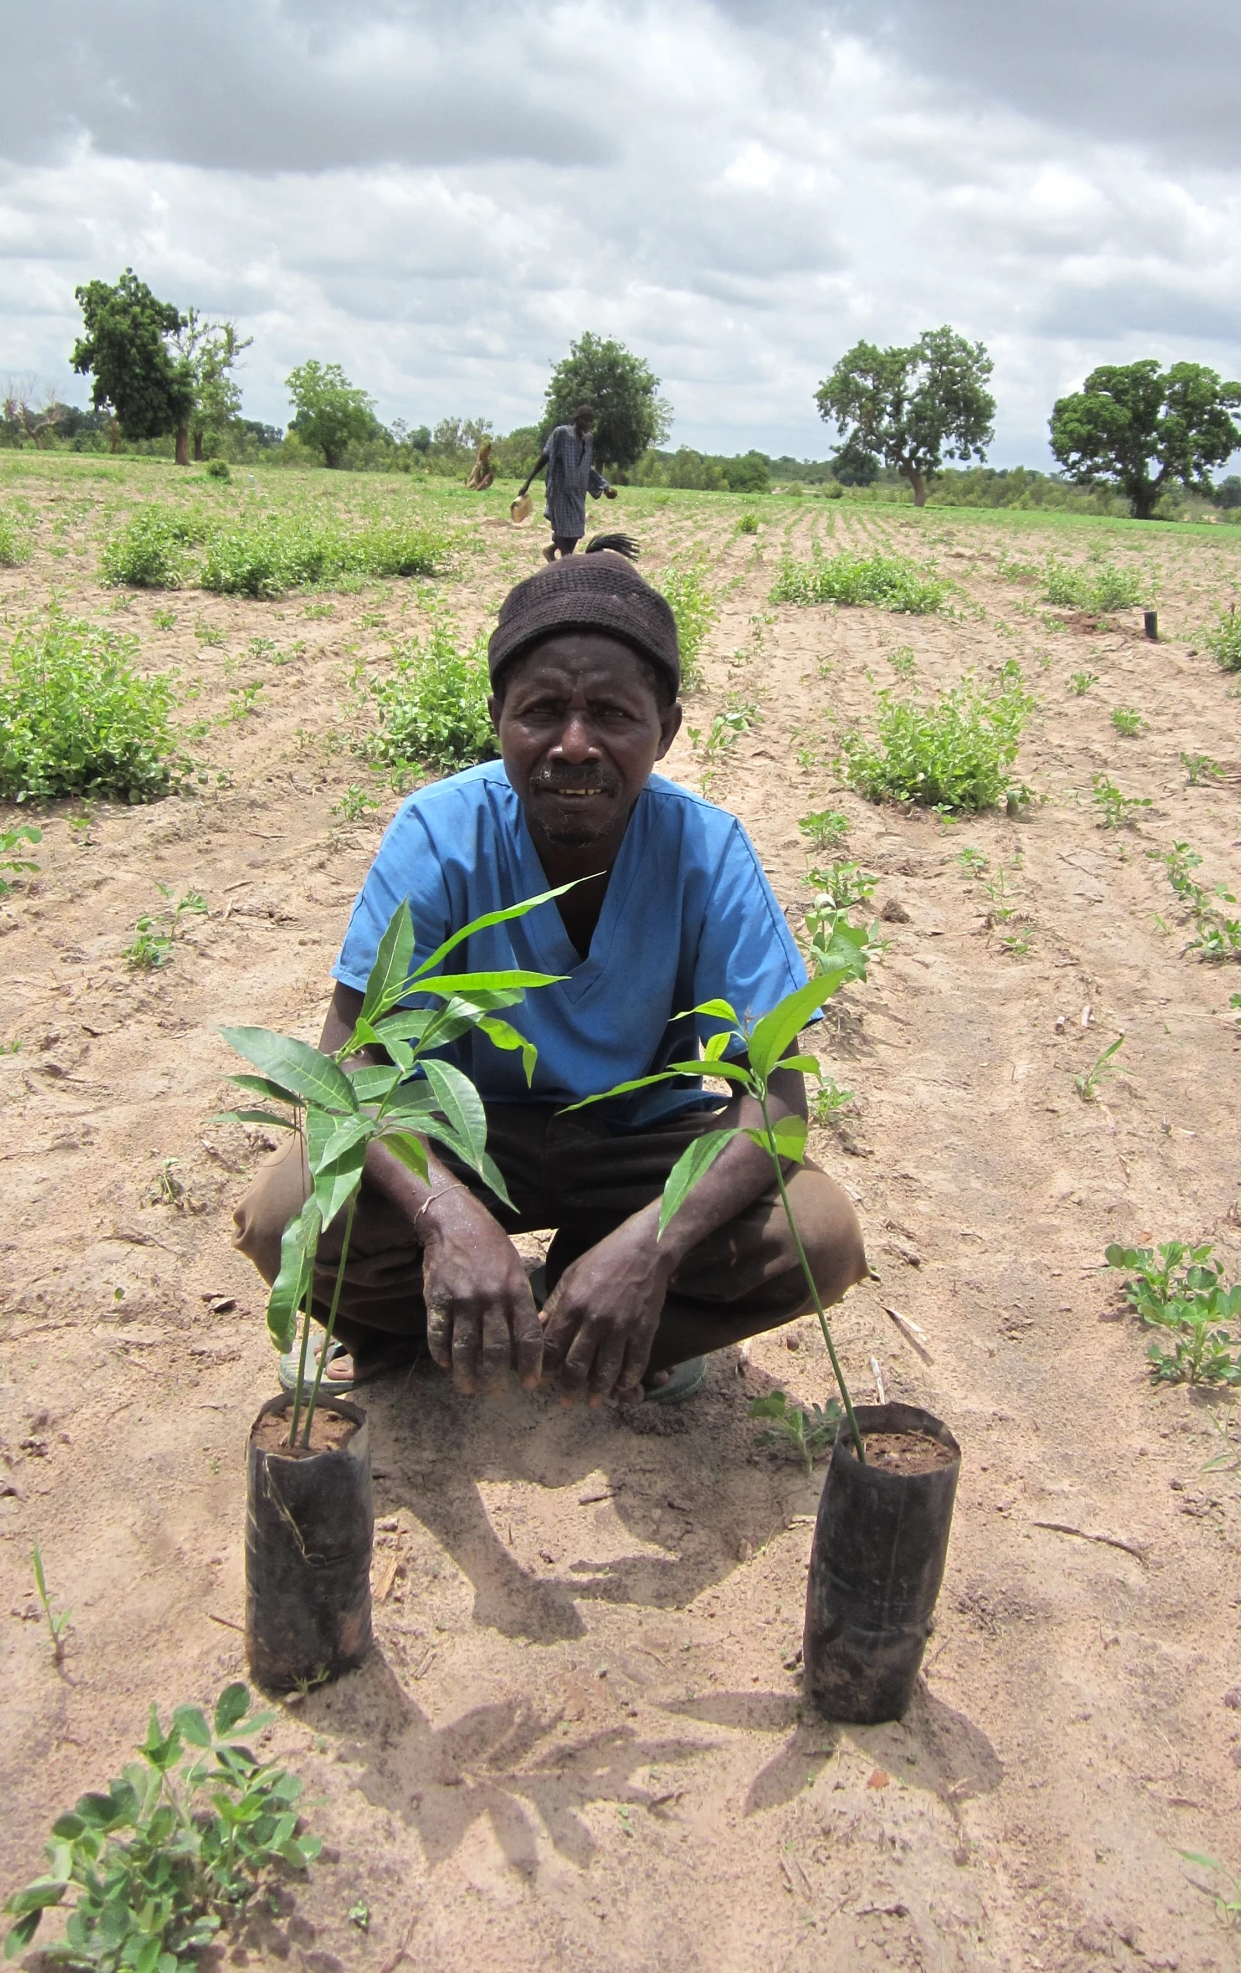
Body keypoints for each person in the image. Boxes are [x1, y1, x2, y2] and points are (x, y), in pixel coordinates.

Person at [234, 549, 866, 1407]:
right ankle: (416, 1329)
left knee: (817, 1237)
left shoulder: (706, 852)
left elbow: (778, 1103)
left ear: (667, 729)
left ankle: (602, 1321)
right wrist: (446, 1220)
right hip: (461, 1136)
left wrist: (653, 1247)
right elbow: (347, 1076)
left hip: (635, 1144)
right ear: (497, 716)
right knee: (288, 1215)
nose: (575, 745)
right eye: (542, 711)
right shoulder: (438, 834)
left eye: (612, 712)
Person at [516, 404, 617, 560]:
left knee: (576, 531)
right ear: (576, 419)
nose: (588, 424)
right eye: (585, 420)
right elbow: (545, 457)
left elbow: (586, 468)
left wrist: (605, 487)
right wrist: (527, 482)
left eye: (591, 421)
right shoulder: (561, 433)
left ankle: (551, 551)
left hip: (578, 491)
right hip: (560, 490)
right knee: (564, 533)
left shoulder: (588, 439)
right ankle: (566, 564)